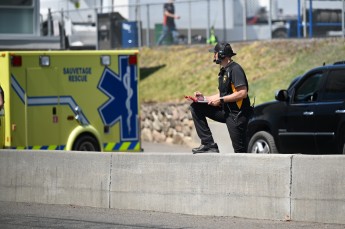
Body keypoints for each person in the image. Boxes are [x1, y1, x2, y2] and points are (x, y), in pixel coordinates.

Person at [189, 42, 253, 154]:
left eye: (215, 53)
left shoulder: (235, 69)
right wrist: (204, 98)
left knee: (240, 152)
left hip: (237, 115)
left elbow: (242, 93)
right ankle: (208, 144)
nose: (213, 55)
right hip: (226, 112)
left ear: (221, 54)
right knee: (196, 107)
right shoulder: (224, 71)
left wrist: (221, 100)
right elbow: (222, 94)